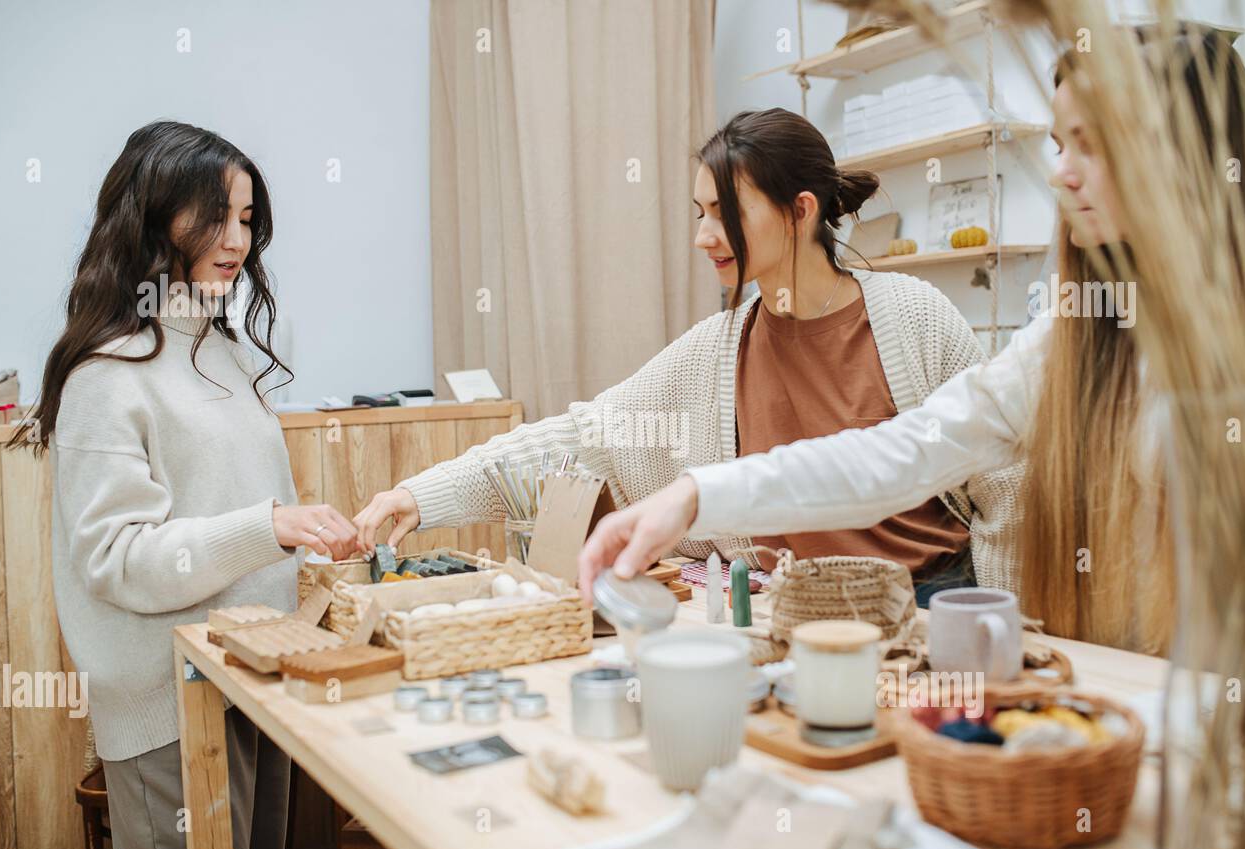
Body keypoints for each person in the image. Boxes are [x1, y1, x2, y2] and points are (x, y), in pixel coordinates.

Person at [578, 26, 1245, 656]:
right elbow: (902, 455)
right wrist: (695, 497)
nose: (1062, 174)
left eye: (1097, 147)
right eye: (1062, 144)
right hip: (1143, 703)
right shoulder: (1079, 331)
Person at [354, 108, 1023, 602]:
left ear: (800, 211)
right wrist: (422, 494)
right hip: (789, 618)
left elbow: (1008, 490)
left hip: (934, 605)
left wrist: (1018, 628)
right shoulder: (716, 349)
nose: (704, 236)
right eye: (698, 212)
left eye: (723, 211)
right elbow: (582, 439)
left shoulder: (915, 319)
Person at [12, 121, 359, 849]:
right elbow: (120, 560)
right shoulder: (107, 373)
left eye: (246, 219)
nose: (235, 240)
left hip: (254, 674)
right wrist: (271, 528)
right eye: (214, 217)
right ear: (154, 215)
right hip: (171, 702)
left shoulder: (220, 350)